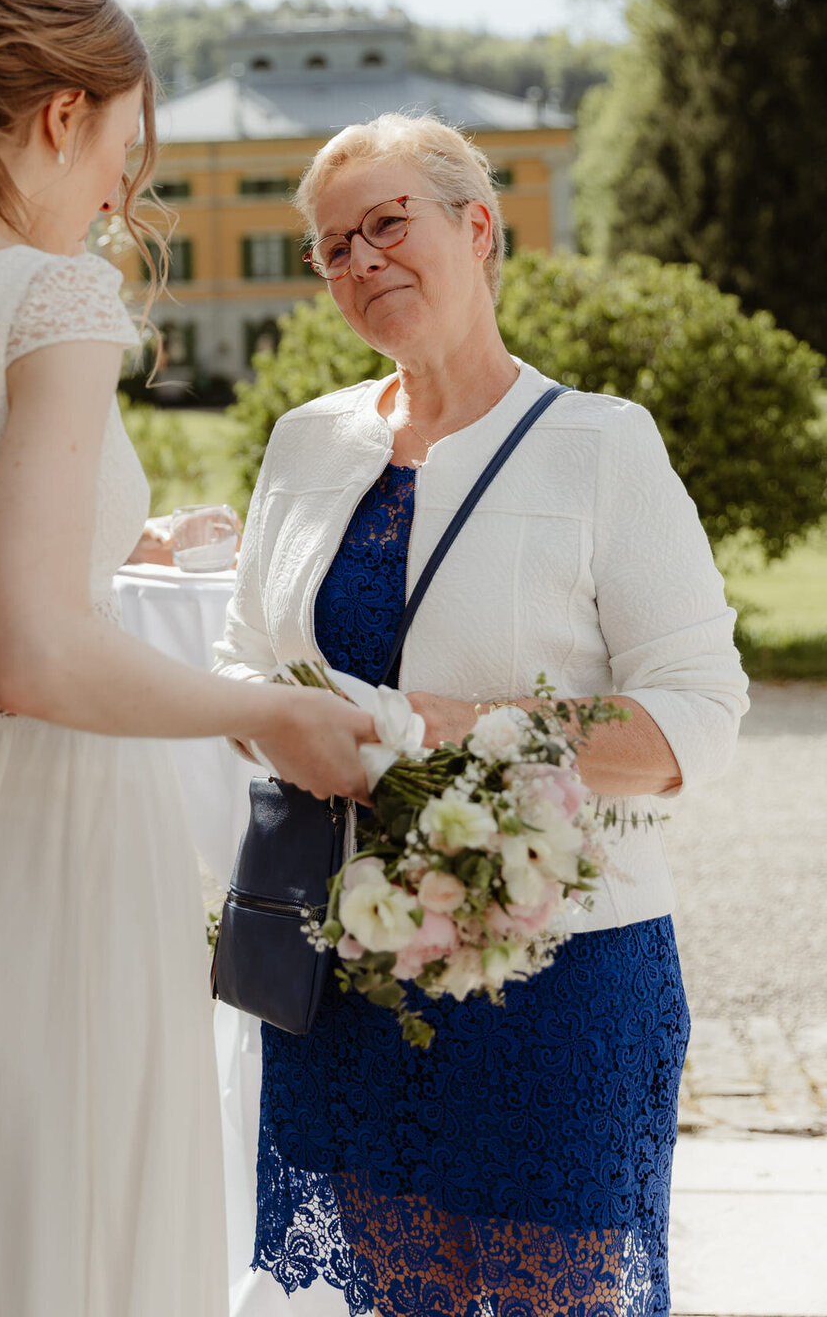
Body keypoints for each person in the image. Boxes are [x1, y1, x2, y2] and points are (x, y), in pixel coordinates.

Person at [0, 0, 374, 1317]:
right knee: (65, 1236)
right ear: (62, 117)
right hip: (51, 845)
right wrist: (270, 710)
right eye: (127, 146)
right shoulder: (52, 298)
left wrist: (130, 546)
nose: (123, 189)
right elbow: (35, 653)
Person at [214, 112, 748, 1317]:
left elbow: (698, 714)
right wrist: (290, 728)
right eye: (333, 246)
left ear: (479, 228)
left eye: (387, 224)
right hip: (351, 969)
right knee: (394, 1295)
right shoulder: (305, 445)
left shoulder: (604, 447)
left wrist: (454, 731)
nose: (361, 262)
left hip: (563, 976)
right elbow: (242, 660)